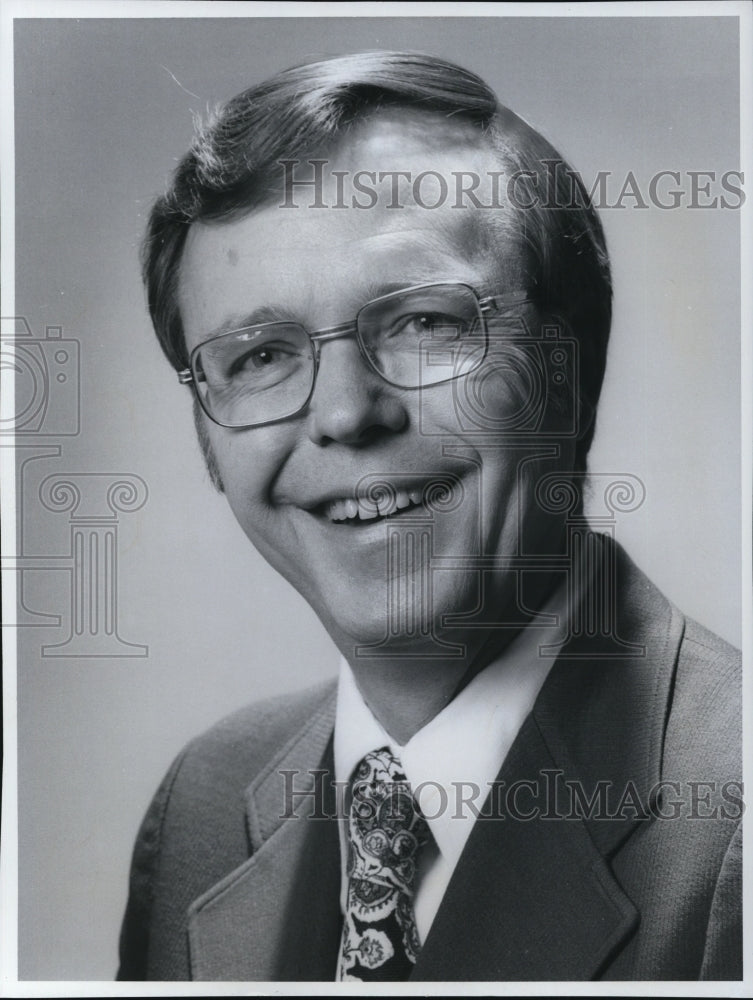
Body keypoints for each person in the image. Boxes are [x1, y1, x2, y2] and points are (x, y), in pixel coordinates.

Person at [117, 50, 742, 982]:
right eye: (259, 356)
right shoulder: (205, 805)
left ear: (571, 368)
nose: (343, 414)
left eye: (423, 323)